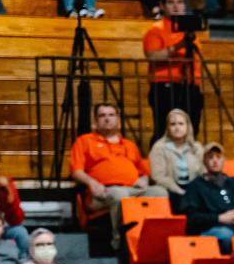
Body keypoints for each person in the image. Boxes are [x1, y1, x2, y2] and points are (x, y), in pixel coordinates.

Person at [69, 102, 167, 248]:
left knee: (160, 192)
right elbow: (76, 171)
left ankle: (157, 239)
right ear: (95, 121)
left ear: (118, 120)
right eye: (102, 115)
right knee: (119, 195)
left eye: (111, 115)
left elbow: (143, 171)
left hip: (133, 189)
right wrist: (92, 183)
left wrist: (144, 179)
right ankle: (121, 242)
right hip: (102, 192)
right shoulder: (84, 141)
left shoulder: (129, 145)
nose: (107, 118)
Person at [143, 0, 205, 147]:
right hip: (164, 85)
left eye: (180, 2)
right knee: (164, 128)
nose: (176, 6)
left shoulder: (189, 29)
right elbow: (153, 56)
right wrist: (177, 46)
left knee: (192, 127)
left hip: (191, 84)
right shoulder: (156, 29)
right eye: (171, 2)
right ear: (163, 6)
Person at [180, 141, 234, 252]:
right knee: (226, 234)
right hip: (211, 229)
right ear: (204, 161)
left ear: (224, 160)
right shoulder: (195, 186)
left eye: (218, 157)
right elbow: (192, 218)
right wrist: (220, 218)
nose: (215, 161)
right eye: (210, 157)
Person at [147, 108, 205, 205]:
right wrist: (179, 190)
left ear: (187, 126)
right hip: (170, 190)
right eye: (173, 124)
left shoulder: (196, 147)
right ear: (168, 128)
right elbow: (158, 176)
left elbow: (203, 172)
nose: (177, 127)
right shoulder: (159, 147)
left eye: (181, 124)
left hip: (194, 189)